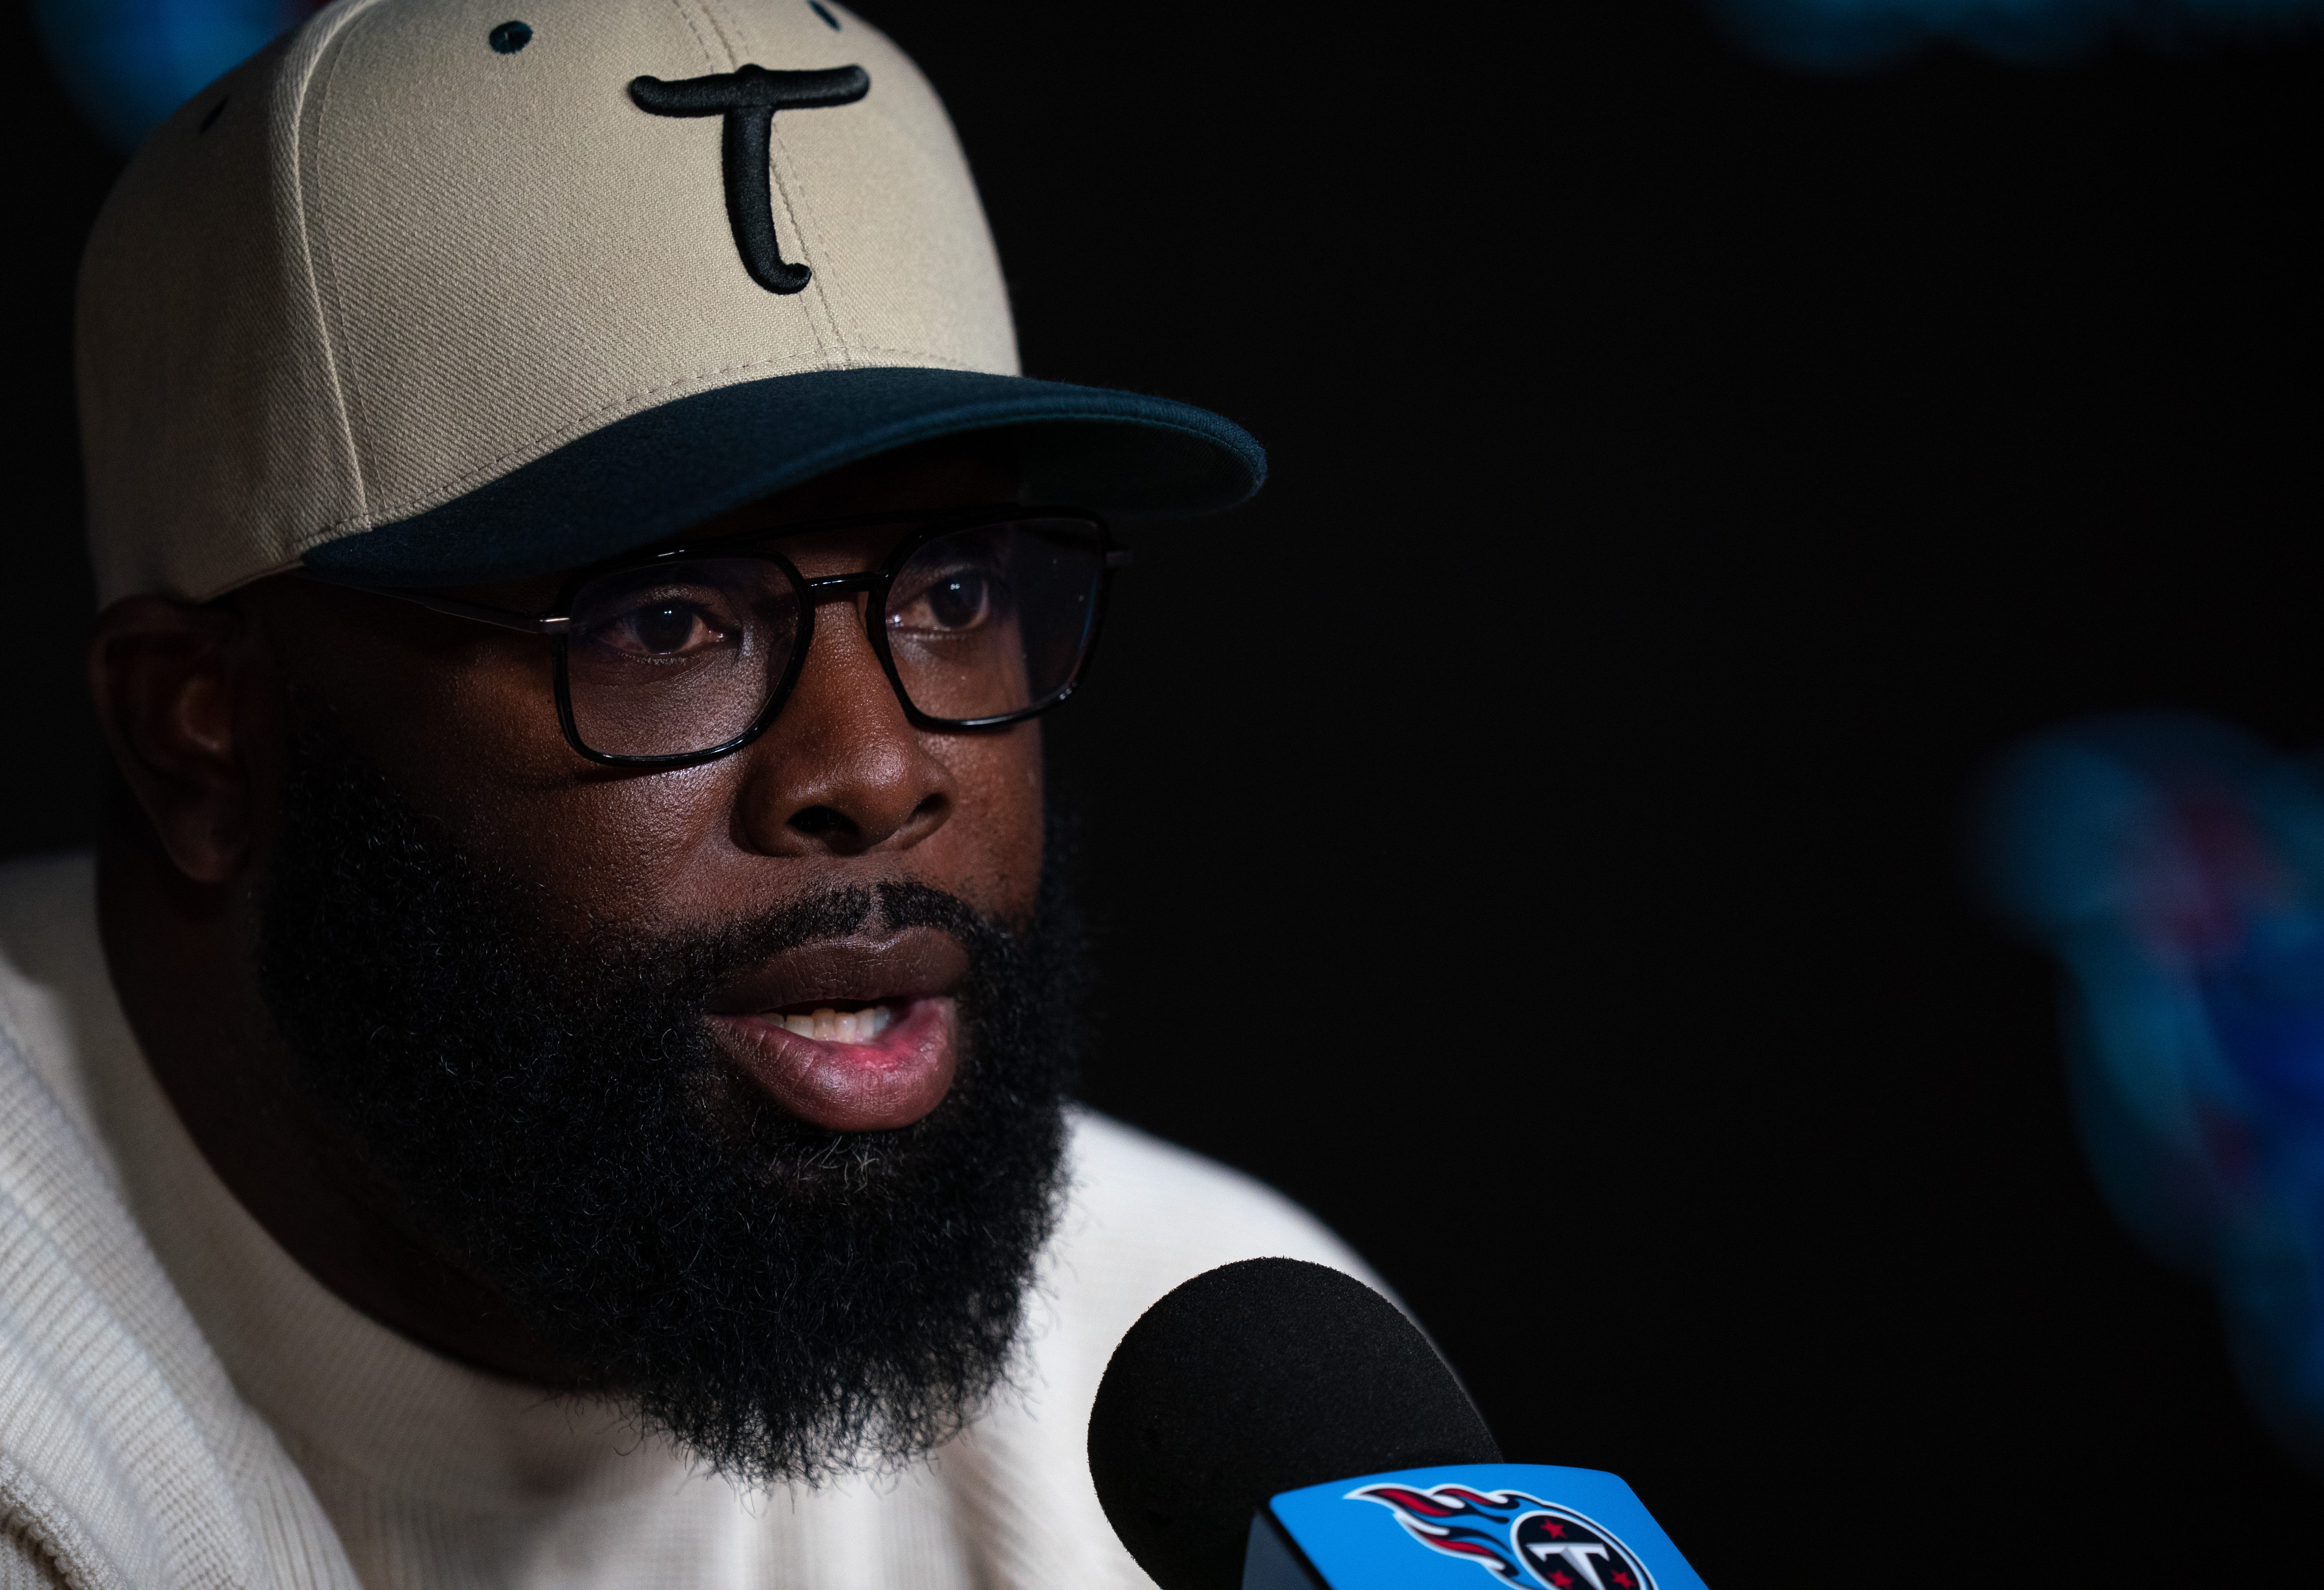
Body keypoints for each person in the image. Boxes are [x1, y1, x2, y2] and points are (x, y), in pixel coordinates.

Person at [0, 0, 1365, 1584]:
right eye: (664, 624)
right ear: (201, 736)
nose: (876, 772)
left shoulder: (1229, 1406)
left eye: (955, 592)